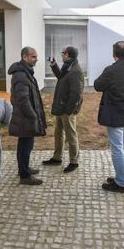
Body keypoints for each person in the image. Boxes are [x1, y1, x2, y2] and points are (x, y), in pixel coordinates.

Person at [94, 41, 124, 193]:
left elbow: (97, 85)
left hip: (115, 116)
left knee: (118, 148)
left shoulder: (111, 70)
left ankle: (120, 183)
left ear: (114, 53)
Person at [8, 46, 47, 185]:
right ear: (25, 57)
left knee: (25, 145)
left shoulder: (25, 72)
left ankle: (23, 169)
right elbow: (23, 100)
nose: (36, 59)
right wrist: (33, 115)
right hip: (25, 118)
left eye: (36, 57)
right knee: (25, 146)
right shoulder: (21, 75)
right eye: (33, 57)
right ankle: (24, 176)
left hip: (25, 117)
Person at [42, 45, 84, 173]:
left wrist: (69, 110)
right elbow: (61, 76)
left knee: (71, 134)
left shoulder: (75, 70)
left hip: (67, 109)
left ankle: (74, 161)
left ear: (68, 55)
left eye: (63, 53)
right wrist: (54, 65)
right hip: (62, 107)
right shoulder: (68, 67)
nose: (61, 55)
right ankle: (57, 157)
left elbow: (76, 93)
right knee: (58, 132)